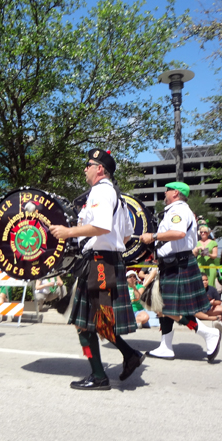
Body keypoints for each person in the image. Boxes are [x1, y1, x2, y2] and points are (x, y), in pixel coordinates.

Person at [50, 148, 143, 391]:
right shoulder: (118, 197)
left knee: (87, 324)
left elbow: (101, 226)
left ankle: (99, 375)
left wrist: (69, 232)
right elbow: (126, 234)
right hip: (106, 260)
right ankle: (127, 355)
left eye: (88, 165)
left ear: (99, 169)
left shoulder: (100, 191)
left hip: (99, 262)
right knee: (97, 322)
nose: (85, 169)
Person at [140, 182, 221, 362]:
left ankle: (208, 333)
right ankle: (166, 347)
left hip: (178, 264)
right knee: (164, 306)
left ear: (175, 192)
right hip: (172, 263)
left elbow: (178, 233)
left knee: (165, 307)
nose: (164, 193)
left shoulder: (178, 210)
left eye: (166, 190)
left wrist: (152, 236)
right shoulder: (176, 210)